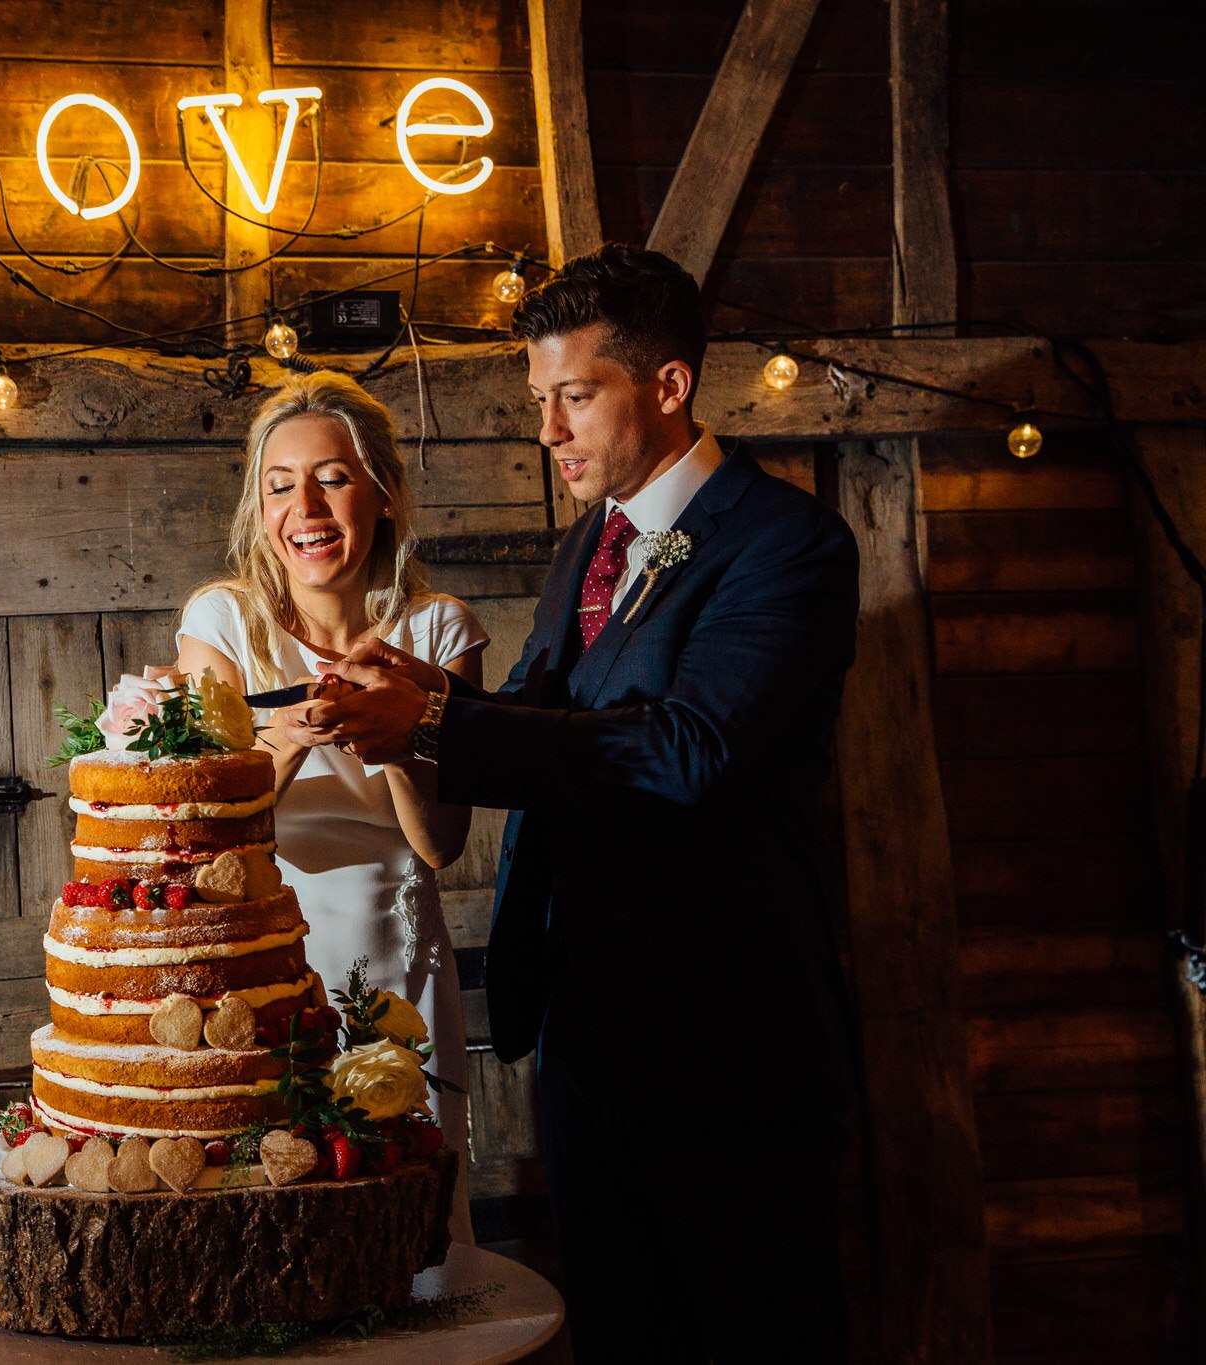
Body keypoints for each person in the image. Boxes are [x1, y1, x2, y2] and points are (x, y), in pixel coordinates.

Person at [304, 245, 860, 1362]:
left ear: (665, 386)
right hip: (584, 1022)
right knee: (620, 1330)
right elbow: (554, 717)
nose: (547, 430)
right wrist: (433, 695)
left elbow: (687, 749)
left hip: (724, 1031)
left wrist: (432, 727)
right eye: (537, 402)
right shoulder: (589, 543)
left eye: (571, 397)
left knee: (749, 1332)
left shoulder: (787, 543)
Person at [101, 369, 486, 1242]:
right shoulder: (225, 622)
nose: (303, 504)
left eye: (333, 478)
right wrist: (293, 738)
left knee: (399, 1216)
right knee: (268, 1216)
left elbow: (439, 843)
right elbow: (202, 832)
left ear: (381, 494)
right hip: (256, 959)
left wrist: (387, 728)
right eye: (279, 484)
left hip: (396, 962)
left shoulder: (439, 633)